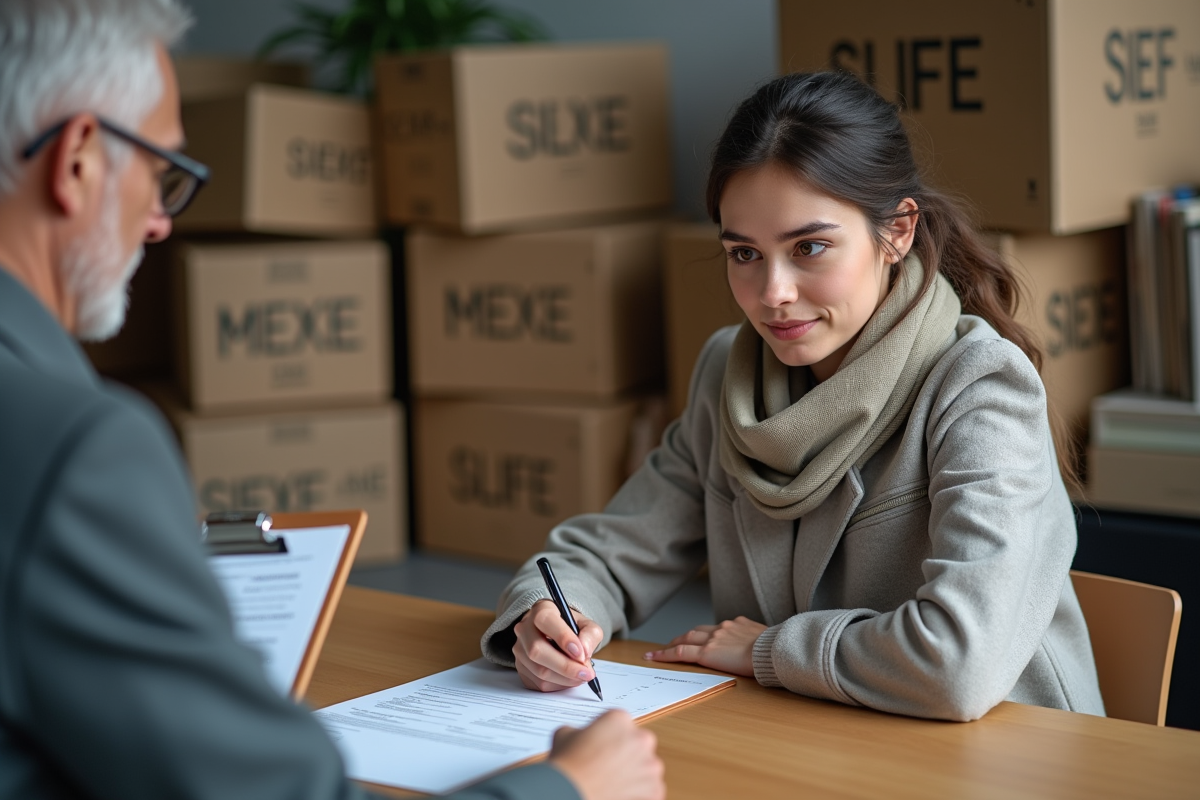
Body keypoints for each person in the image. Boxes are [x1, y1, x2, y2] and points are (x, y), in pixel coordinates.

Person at [0, 2, 664, 799]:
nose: (158, 223)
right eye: (159, 172)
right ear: (76, 161)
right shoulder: (82, 450)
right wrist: (571, 788)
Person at [482, 71, 1107, 723]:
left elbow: (959, 664)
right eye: (745, 253)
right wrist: (549, 614)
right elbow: (608, 553)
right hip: (817, 739)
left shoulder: (979, 387)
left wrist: (769, 651)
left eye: (809, 247)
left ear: (896, 231)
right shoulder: (729, 373)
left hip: (1006, 757)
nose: (773, 291)